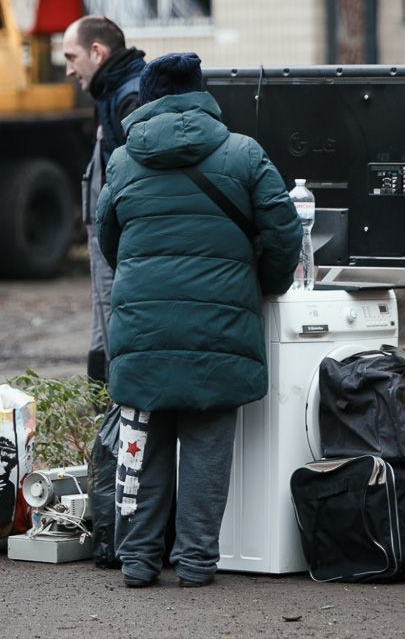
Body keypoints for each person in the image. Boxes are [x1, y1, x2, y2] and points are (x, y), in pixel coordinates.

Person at [95, 52, 302, 589]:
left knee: (149, 442)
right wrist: (266, 285)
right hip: (220, 325)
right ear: (200, 93)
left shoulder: (121, 160)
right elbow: (284, 234)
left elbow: (108, 239)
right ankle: (197, 564)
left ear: (149, 97)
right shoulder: (243, 153)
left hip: (144, 326)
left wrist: (144, 281)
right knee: (208, 444)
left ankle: (139, 561)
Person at [61, 15, 145, 384]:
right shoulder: (112, 92)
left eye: (71, 57)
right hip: (108, 244)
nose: (67, 70)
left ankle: (119, 410)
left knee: (117, 317)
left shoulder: (130, 97)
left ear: (97, 52)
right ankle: (105, 399)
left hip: (122, 245)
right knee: (105, 318)